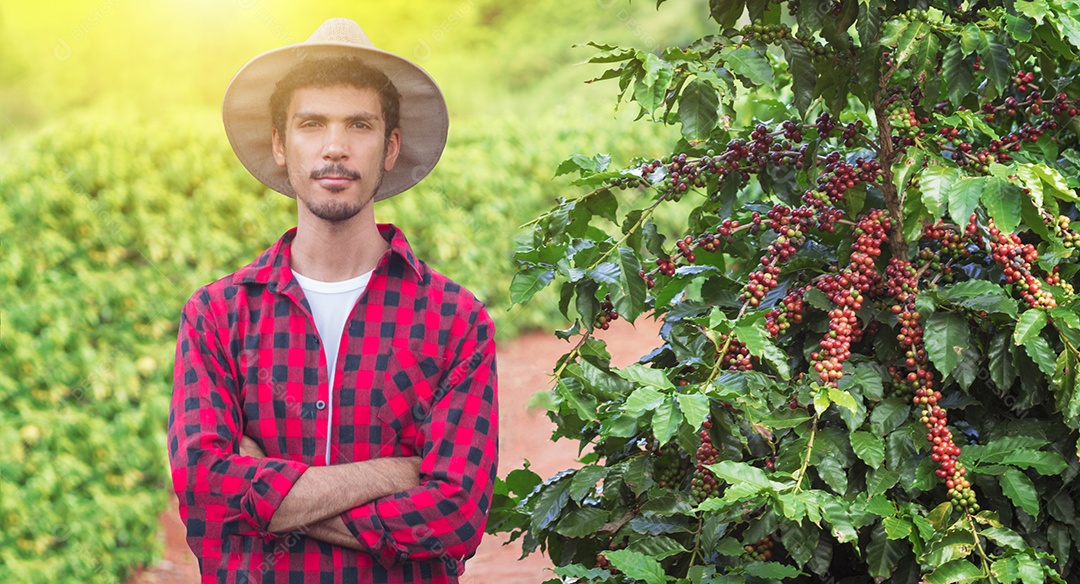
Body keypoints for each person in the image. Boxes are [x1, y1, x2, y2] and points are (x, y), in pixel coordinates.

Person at [166, 18, 499, 583]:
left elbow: (454, 518)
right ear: (280, 144)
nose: (335, 148)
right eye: (312, 123)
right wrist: (394, 475)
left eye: (360, 124)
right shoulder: (218, 316)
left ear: (390, 146)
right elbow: (204, 492)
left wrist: (262, 495)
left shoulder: (455, 321)